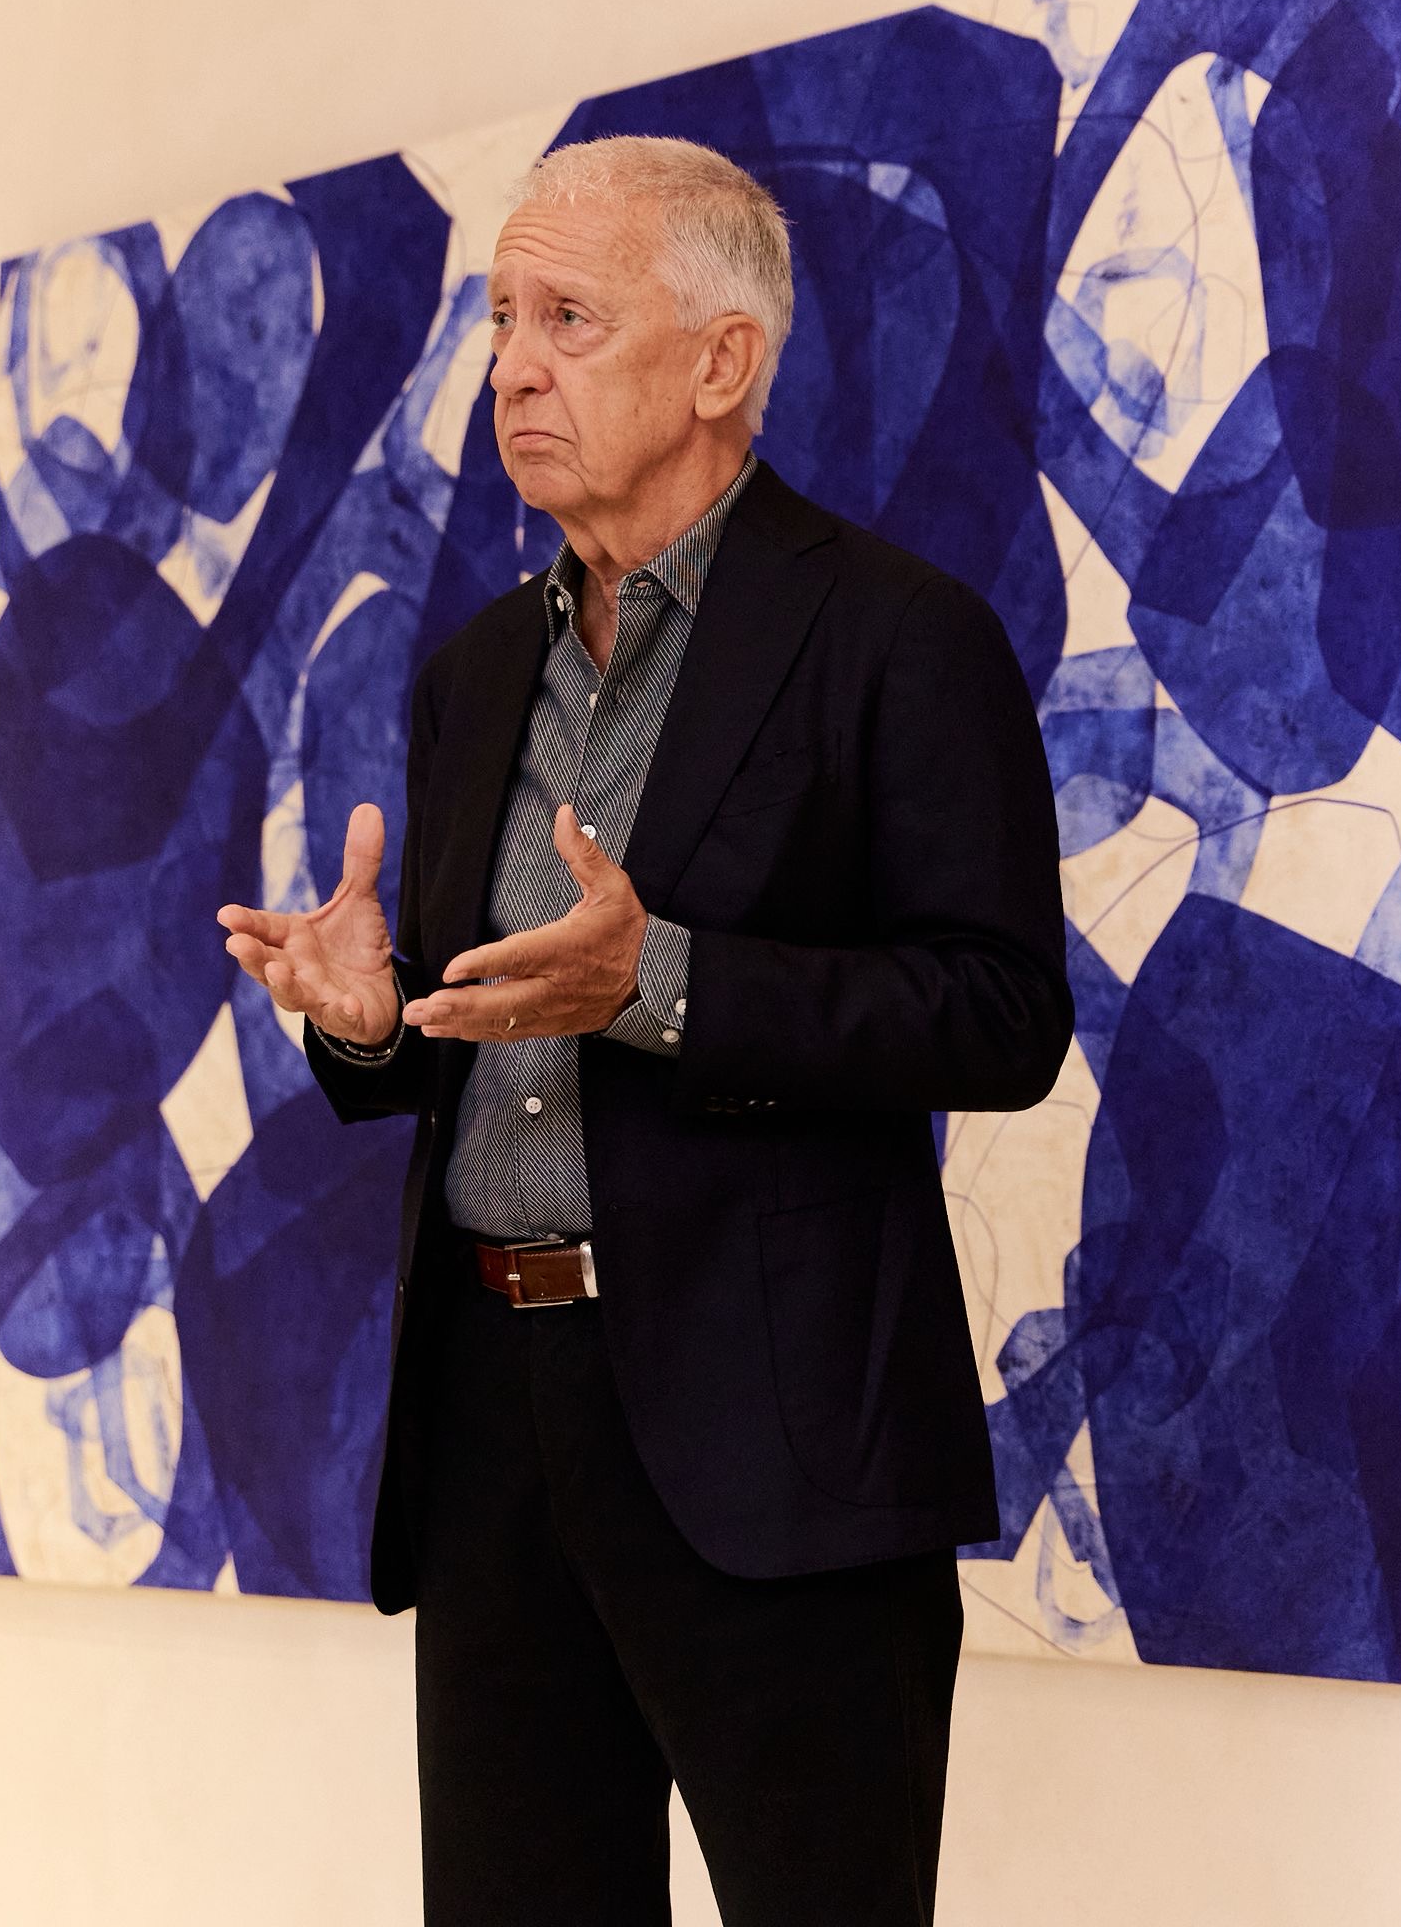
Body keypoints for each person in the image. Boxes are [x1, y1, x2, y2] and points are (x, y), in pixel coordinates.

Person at [217, 134, 1073, 1926]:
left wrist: (661, 982)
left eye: (568, 320)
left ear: (719, 363)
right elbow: (491, 1035)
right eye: (500, 320)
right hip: (493, 1434)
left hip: (778, 1437)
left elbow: (1002, 1015)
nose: (511, 368)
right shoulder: (470, 677)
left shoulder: (901, 636)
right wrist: (372, 1026)